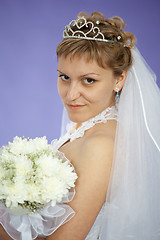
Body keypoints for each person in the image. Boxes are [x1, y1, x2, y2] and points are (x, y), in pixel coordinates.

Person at [0, 11, 160, 240]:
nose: (71, 95)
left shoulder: (101, 145)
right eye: (64, 77)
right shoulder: (88, 131)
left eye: (89, 80)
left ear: (119, 80)